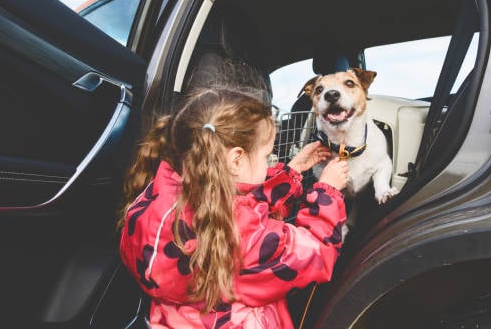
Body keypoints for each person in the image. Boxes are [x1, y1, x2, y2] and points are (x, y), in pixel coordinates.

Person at [118, 87, 348, 328]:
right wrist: (327, 192)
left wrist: (289, 173)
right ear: (236, 159)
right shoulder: (242, 235)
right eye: (266, 157)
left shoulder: (157, 201)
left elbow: (237, 199)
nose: (268, 162)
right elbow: (317, 254)